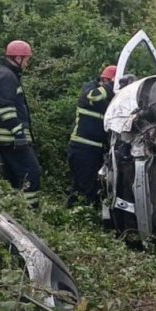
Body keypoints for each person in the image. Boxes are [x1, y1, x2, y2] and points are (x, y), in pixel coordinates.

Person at [0, 40, 41, 207]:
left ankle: (13, 208)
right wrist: (19, 133)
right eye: (26, 59)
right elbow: (6, 109)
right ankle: (29, 210)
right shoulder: (7, 77)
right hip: (11, 137)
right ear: (18, 58)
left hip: (2, 136)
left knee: (11, 176)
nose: (27, 63)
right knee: (31, 174)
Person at [67, 64, 117, 207]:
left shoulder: (109, 100)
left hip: (95, 151)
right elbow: (94, 96)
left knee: (86, 187)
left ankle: (75, 215)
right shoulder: (90, 90)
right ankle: (80, 218)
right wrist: (112, 86)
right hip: (82, 149)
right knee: (85, 188)